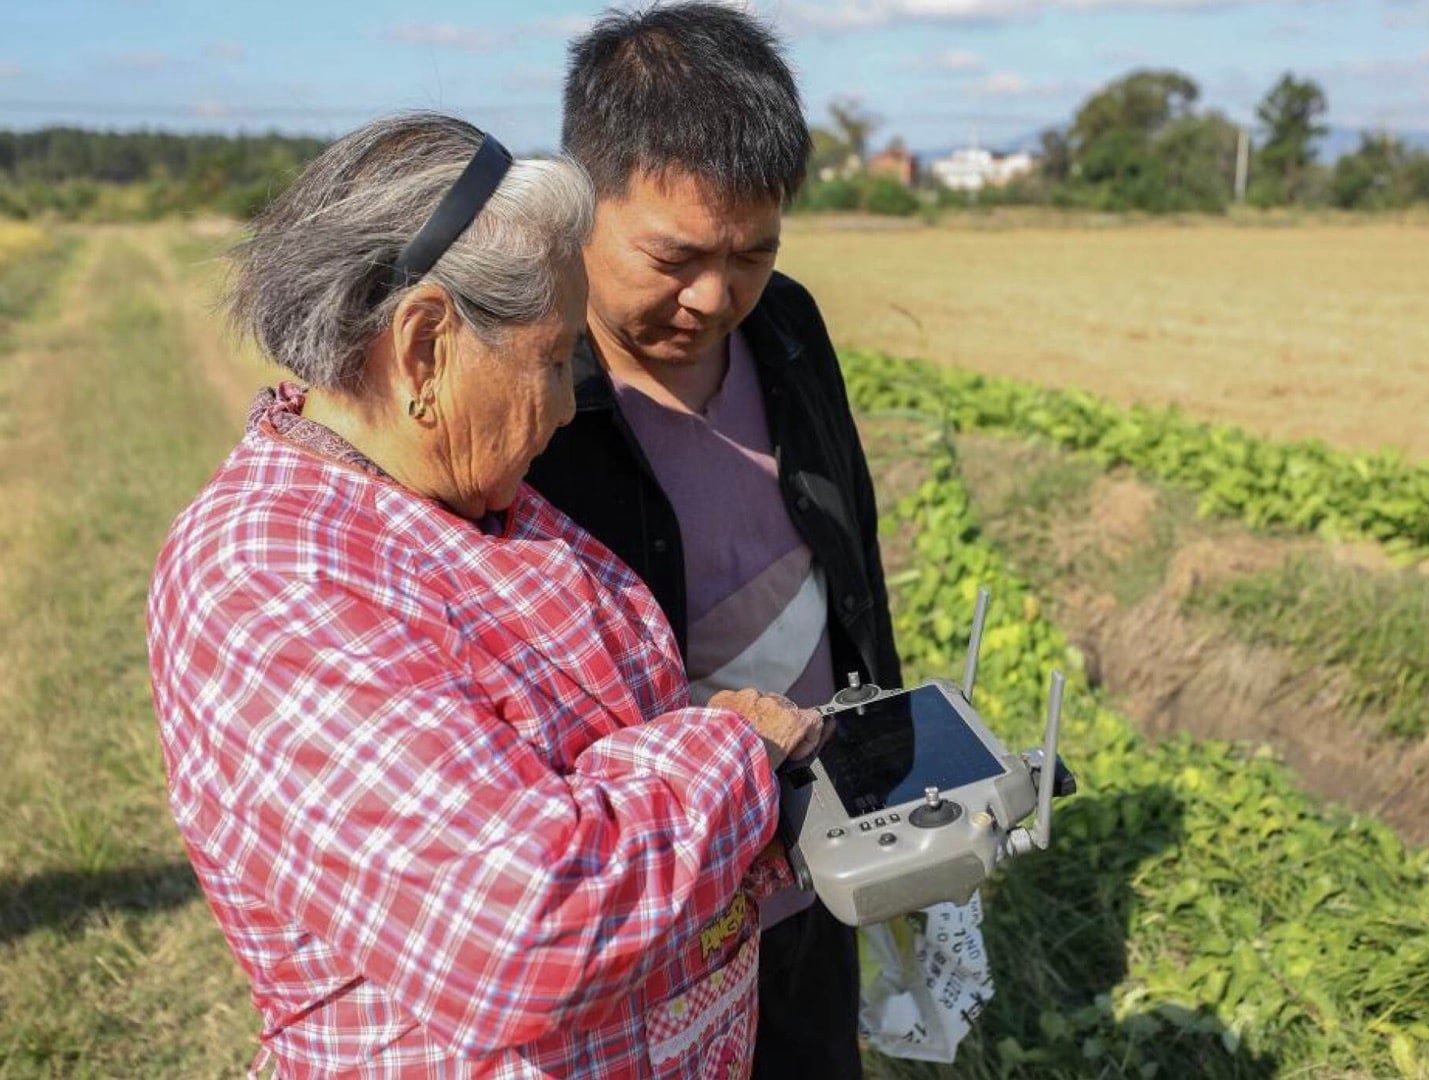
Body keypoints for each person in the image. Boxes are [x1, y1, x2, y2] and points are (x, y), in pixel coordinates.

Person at [145, 112, 825, 1079]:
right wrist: (739, 755)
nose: (561, 406)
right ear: (423, 348)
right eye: (552, 361)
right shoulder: (265, 581)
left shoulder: (460, 494)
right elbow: (521, 929)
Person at [525, 7, 902, 1077]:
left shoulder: (786, 325)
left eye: (752, 253)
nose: (713, 298)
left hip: (815, 844)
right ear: (581, 198)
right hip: (658, 894)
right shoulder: (528, 396)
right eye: (674, 257)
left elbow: (850, 550)